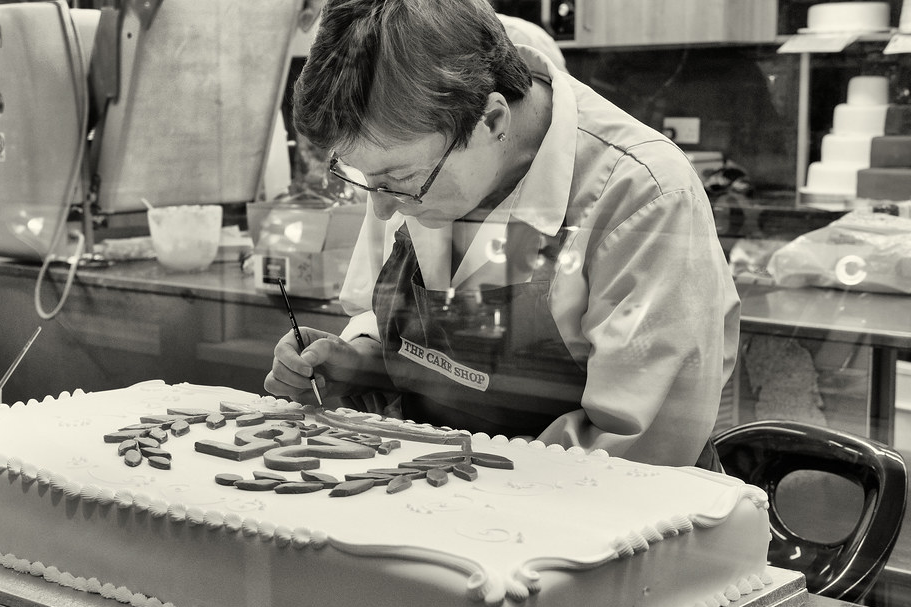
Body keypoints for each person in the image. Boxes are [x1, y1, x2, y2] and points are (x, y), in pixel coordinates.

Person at [264, 0, 740, 469]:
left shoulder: (642, 196)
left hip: (597, 524)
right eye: (366, 179)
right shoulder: (413, 155)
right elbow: (395, 322)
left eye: (399, 182)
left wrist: (462, 486)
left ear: (491, 120)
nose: (383, 208)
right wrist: (357, 362)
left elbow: (639, 453)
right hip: (440, 495)